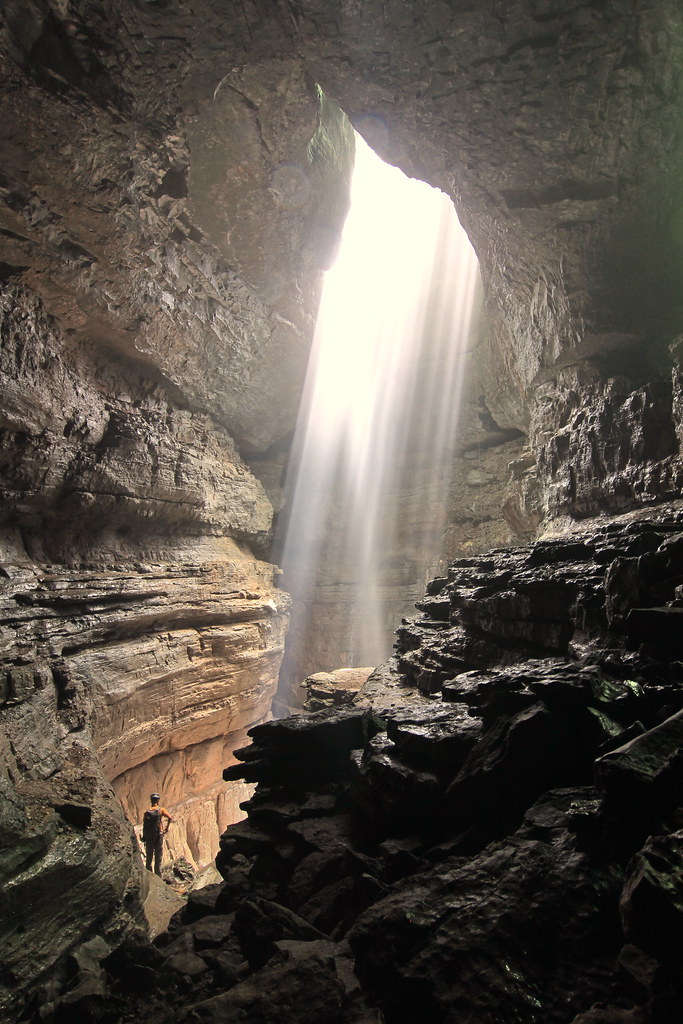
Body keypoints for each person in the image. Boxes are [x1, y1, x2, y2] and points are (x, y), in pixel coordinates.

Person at [141, 793, 173, 876]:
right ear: (158, 801)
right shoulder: (161, 810)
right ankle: (158, 875)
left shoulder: (146, 812)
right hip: (158, 836)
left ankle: (149, 875)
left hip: (149, 837)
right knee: (158, 856)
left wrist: (144, 836)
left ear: (151, 801)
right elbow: (170, 817)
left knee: (149, 856)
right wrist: (166, 828)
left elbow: (144, 825)